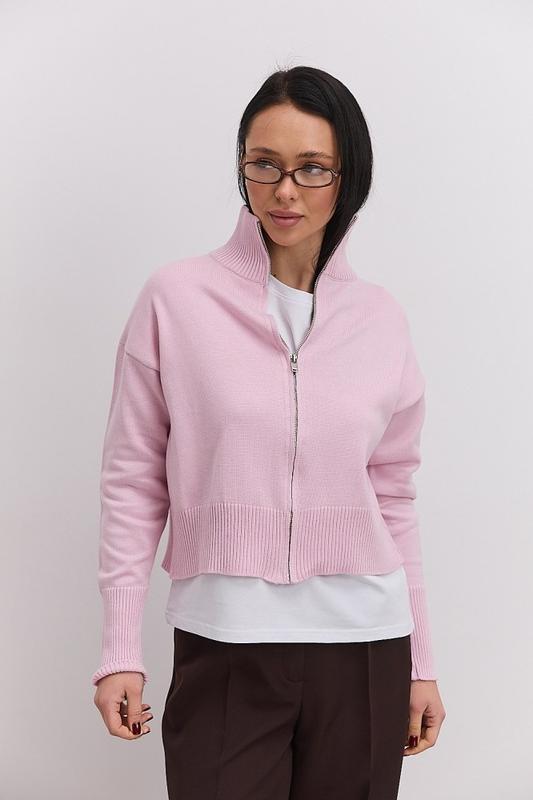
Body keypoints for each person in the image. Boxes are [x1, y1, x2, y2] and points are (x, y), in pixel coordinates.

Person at [92, 65, 446, 800]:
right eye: (264, 164)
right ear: (243, 167)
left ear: (348, 177)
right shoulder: (176, 299)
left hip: (364, 641)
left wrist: (421, 663)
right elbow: (133, 480)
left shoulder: (381, 319)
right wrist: (119, 649)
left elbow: (394, 498)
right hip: (225, 640)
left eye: (312, 168)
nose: (285, 190)